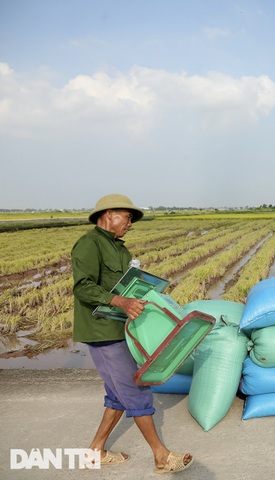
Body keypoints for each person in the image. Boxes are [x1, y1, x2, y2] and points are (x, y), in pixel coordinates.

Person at [71, 194, 194, 474]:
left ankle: (95, 452)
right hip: (102, 331)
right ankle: (161, 457)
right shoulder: (89, 244)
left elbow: (126, 286)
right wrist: (120, 302)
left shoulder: (120, 249)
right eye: (128, 217)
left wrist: (147, 296)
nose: (130, 224)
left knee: (117, 395)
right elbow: (83, 287)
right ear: (110, 213)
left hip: (119, 328)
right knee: (137, 390)